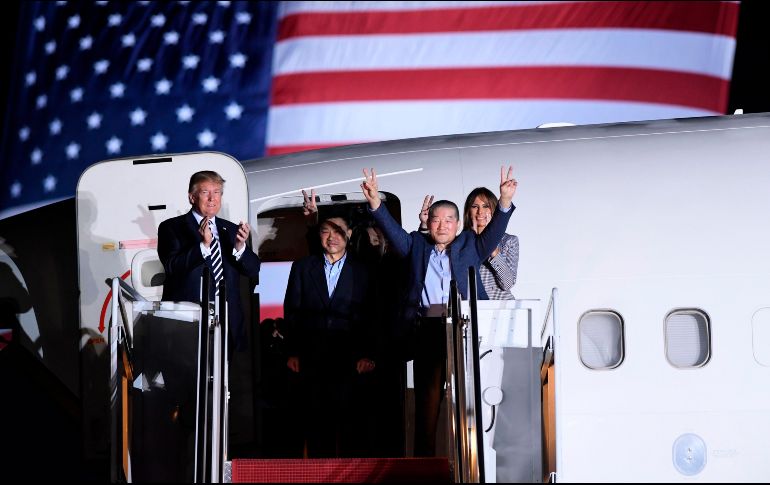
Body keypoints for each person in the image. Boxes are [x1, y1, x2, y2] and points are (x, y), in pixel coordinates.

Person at [361, 166, 518, 457]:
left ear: (458, 225)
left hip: (465, 330)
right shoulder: (416, 244)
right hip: (428, 332)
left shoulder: (471, 245)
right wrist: (375, 204)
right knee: (427, 406)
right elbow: (393, 233)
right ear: (429, 224)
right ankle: (425, 466)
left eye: (448, 220)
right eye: (436, 220)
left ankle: (474, 461)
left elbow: (495, 231)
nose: (442, 225)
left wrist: (505, 201)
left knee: (472, 403)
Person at [283, 214, 377, 458]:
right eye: (326, 231)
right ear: (319, 235)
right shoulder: (303, 267)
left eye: (339, 231)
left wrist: (368, 354)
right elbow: (292, 311)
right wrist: (293, 351)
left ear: (349, 235)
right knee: (316, 423)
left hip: (350, 358)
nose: (332, 237)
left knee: (350, 424)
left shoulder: (363, 271)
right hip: (312, 356)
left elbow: (372, 315)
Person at [157, 170, 261, 351]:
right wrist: (204, 246)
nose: (212, 198)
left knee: (224, 377)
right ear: (192, 197)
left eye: (217, 192)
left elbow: (253, 270)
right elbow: (172, 266)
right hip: (189, 322)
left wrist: (240, 247)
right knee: (190, 376)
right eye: (206, 193)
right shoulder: (172, 227)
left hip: (227, 321)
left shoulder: (230, 229)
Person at [419, 187, 519, 299]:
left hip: (500, 308)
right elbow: (424, 255)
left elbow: (508, 283)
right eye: (475, 207)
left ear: (494, 209)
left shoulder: (509, 241)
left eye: (486, 206)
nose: (480, 212)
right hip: (468, 309)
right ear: (468, 212)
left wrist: (491, 246)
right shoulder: (459, 242)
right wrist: (425, 223)